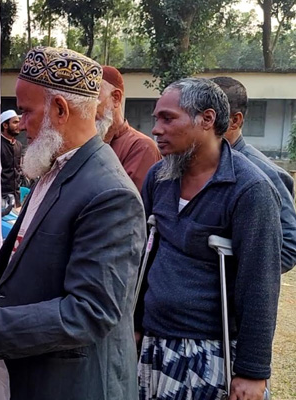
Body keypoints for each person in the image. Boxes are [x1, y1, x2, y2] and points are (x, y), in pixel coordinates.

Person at [0, 47, 146, 400]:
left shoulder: (109, 194)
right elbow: (30, 262)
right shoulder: (56, 169)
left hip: (73, 385)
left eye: (27, 111)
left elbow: (89, 312)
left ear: (60, 109)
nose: (21, 123)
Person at [136, 78, 280, 400]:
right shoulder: (158, 179)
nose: (156, 129)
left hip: (210, 349)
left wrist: (252, 371)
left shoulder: (250, 190)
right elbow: (143, 256)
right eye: (156, 118)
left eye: (168, 118)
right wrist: (135, 323)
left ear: (207, 119)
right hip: (153, 340)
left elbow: (260, 284)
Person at [212, 76, 296, 273]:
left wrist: (227, 273)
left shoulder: (264, 174)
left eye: (210, 117)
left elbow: (288, 248)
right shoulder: (196, 165)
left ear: (234, 120)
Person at [95, 65, 161, 191]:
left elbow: (126, 205)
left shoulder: (141, 147)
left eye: (94, 98)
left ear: (116, 98)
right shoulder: (86, 142)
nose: (86, 107)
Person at [0, 109, 23, 206]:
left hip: (16, 196)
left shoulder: (19, 145)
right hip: (1, 197)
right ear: (5, 125)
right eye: (15, 122)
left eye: (19, 122)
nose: (19, 125)